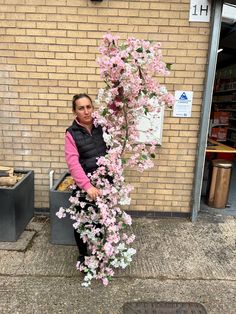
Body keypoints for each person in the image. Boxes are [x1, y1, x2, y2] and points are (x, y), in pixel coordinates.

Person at [65, 93, 107, 263]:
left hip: (105, 183)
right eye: (81, 108)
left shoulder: (103, 126)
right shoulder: (71, 133)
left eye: (89, 107)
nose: (86, 111)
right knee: (82, 223)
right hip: (85, 186)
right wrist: (87, 186)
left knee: (102, 220)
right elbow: (73, 163)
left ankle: (100, 253)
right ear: (75, 111)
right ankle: (84, 256)